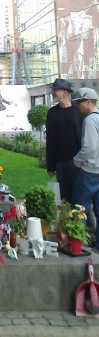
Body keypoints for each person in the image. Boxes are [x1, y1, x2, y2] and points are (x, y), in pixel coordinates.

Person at [46, 78, 82, 207]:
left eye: (55, 90)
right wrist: (50, 165)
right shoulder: (52, 113)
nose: (52, 92)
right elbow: (49, 140)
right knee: (64, 198)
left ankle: (85, 225)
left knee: (80, 197)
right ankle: (67, 224)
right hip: (60, 162)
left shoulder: (78, 111)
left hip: (78, 161)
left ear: (65, 92)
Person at [73, 88, 99, 248]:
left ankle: (77, 242)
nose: (77, 106)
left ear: (88, 101)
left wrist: (77, 160)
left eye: (79, 102)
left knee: (79, 208)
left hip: (89, 171)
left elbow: (89, 146)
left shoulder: (90, 120)